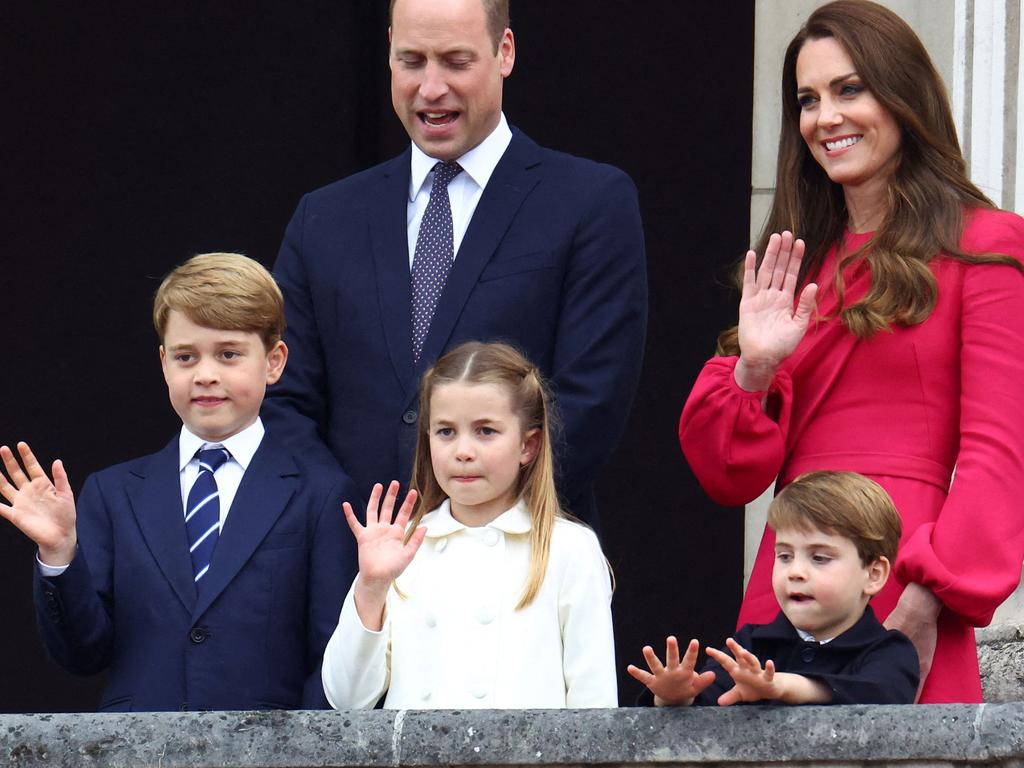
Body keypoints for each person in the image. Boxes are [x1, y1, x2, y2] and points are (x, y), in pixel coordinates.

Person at [679, 0, 1024, 703]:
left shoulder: (986, 243)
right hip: (790, 586)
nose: (824, 118)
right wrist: (754, 367)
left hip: (901, 579)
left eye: (849, 89)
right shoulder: (796, 268)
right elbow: (726, 475)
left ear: (904, 96)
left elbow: (1000, 455)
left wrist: (929, 599)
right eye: (807, 100)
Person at [261, 0, 647, 526]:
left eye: (456, 61)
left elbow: (589, 402)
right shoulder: (324, 217)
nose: (432, 88)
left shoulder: (588, 202)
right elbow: (282, 397)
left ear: (504, 51)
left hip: (516, 565)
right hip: (356, 563)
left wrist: (464, 527)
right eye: (412, 60)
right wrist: (353, 520)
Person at [0, 253, 358, 711]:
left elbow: (330, 657)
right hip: (134, 753)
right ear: (165, 363)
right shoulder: (114, 494)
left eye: (229, 354)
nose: (206, 374)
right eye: (187, 357)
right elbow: (82, 652)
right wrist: (59, 555)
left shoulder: (321, 494)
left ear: (274, 362)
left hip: (267, 754)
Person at [321, 342, 616, 708]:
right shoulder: (404, 548)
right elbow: (347, 699)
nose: (463, 451)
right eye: (446, 431)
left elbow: (596, 706)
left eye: (485, 431)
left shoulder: (569, 548)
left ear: (528, 445)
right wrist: (371, 587)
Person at [629, 471, 918, 706]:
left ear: (873, 574)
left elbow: (882, 697)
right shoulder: (753, 645)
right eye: (784, 556)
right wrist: (676, 696)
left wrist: (785, 685)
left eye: (819, 558)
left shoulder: (890, 650)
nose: (795, 572)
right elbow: (710, 700)